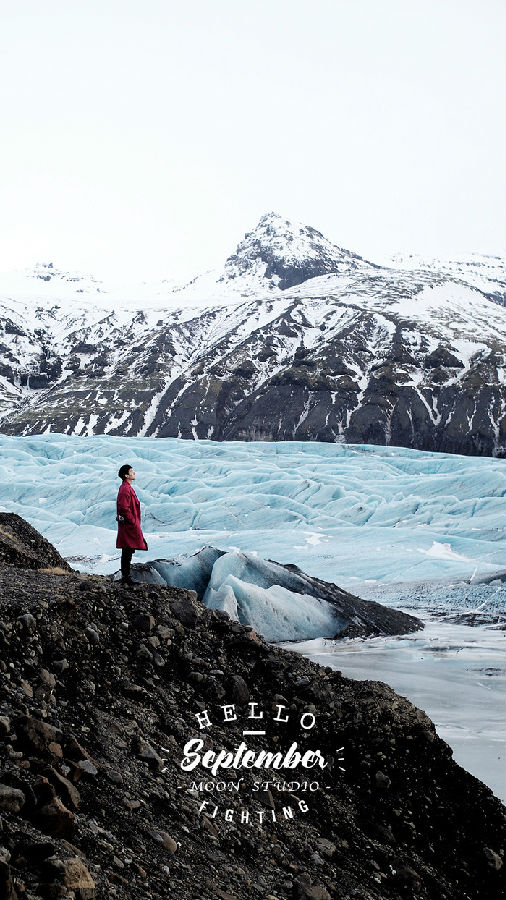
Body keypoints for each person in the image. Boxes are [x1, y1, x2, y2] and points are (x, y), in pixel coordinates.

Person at [116, 464, 148, 586]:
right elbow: (124, 507)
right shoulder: (125, 488)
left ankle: (126, 576)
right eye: (131, 471)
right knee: (127, 549)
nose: (134, 473)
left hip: (130, 524)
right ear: (126, 475)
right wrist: (132, 521)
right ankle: (126, 577)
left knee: (128, 549)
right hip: (129, 525)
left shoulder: (127, 487)